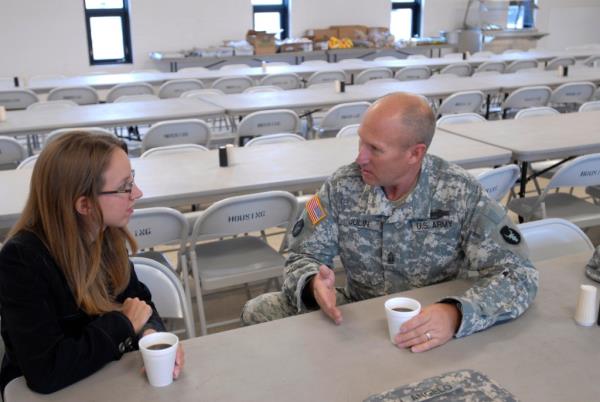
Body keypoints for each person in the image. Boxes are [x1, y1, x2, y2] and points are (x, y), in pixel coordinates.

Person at [242, 92, 539, 352]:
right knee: (258, 310)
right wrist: (312, 284)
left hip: (430, 320)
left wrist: (456, 314)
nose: (360, 157)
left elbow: (518, 273)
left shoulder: (459, 192)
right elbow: (301, 255)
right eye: (361, 142)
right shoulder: (342, 187)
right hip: (359, 312)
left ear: (415, 153)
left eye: (375, 149)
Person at [0, 132, 184, 394]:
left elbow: (140, 305)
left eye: (133, 180)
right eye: (125, 186)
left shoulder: (106, 235)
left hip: (108, 383)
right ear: (84, 204)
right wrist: (123, 324)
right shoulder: (21, 260)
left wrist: (151, 338)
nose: (138, 193)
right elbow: (45, 371)